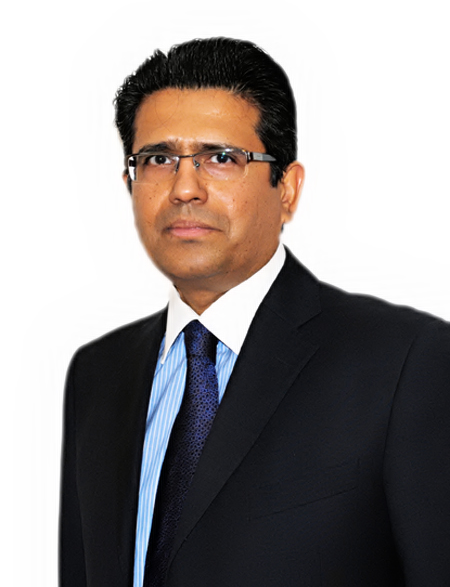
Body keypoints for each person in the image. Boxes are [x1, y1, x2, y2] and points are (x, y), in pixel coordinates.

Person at [59, 37, 450, 587]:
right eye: (158, 159)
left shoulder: (407, 364)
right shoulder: (97, 374)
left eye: (221, 158)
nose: (184, 188)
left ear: (286, 188)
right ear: (130, 184)